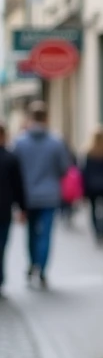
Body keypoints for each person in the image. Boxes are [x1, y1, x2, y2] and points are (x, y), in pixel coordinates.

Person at [13, 101, 71, 289]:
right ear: (46, 118)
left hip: (27, 196)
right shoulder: (56, 142)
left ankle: (33, 264)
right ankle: (42, 269)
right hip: (49, 194)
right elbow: (64, 168)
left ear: (30, 118)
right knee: (45, 234)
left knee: (31, 233)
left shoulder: (20, 142)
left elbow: (14, 170)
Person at [0, 124, 27, 297]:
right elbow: (18, 186)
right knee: (2, 246)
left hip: (4, 210)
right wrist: (22, 208)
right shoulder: (10, 158)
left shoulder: (11, 158)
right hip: (4, 210)